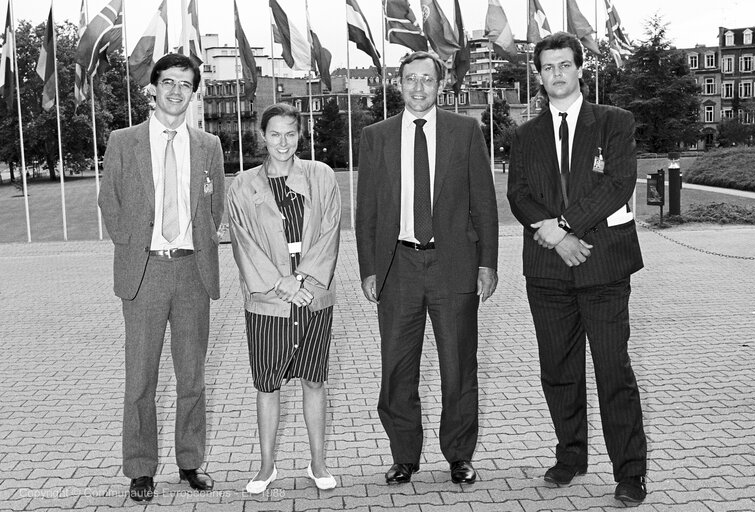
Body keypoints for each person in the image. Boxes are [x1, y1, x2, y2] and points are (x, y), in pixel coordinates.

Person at [506, 32, 648, 505]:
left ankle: (629, 473)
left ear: (580, 68)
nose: (557, 75)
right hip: (547, 274)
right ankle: (571, 457)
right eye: (547, 68)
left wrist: (563, 228)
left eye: (565, 65)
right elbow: (519, 194)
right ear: (539, 75)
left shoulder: (614, 122)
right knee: (558, 371)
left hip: (603, 267)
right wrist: (552, 237)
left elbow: (618, 182)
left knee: (614, 371)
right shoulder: (524, 136)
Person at [355, 51, 499, 485]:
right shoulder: (376, 136)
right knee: (397, 368)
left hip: (454, 265)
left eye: (428, 80)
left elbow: (485, 204)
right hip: (398, 266)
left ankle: (459, 454)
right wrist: (368, 268)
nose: (419, 88)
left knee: (459, 365)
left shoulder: (465, 131)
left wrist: (487, 263)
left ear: (441, 86)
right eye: (410, 79)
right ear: (398, 84)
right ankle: (404, 456)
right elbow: (367, 211)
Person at [98, 53, 224, 502]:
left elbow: (215, 208)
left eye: (185, 84)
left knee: (192, 378)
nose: (175, 91)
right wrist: (134, 244)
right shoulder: (123, 140)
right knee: (141, 380)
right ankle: (140, 468)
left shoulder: (209, 146)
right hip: (145, 271)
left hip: (193, 271)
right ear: (153, 89)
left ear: (194, 92)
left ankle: (190, 462)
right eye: (167, 82)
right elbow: (108, 201)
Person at [227, 103, 341, 494]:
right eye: (274, 134)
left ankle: (318, 461)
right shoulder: (243, 185)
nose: (283, 142)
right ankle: (266, 465)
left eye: (290, 133)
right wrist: (282, 284)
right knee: (267, 385)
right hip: (268, 301)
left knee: (314, 380)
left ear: (299, 135)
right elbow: (243, 244)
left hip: (313, 296)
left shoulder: (321, 176)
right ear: (262, 136)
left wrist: (303, 278)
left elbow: (330, 230)